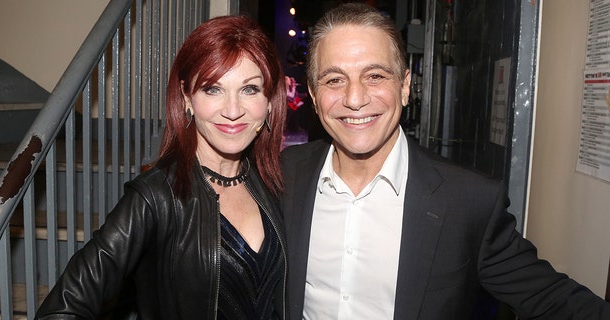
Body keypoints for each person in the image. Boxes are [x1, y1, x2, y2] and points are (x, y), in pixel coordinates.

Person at [280, 3, 610, 320]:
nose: (355, 99)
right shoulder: (282, 175)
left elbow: (553, 301)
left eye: (375, 76)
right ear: (312, 93)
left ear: (405, 86)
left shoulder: (468, 200)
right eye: (334, 79)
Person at [36, 15, 287, 319]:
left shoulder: (273, 183)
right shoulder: (155, 197)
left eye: (249, 89)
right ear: (187, 98)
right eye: (212, 89)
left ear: (269, 100)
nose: (233, 111)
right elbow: (61, 309)